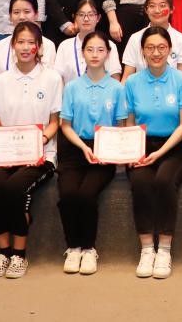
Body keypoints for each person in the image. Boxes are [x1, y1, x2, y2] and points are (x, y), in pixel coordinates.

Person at [0, 21, 62, 279]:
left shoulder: (52, 78)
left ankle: (19, 255)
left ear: (39, 47)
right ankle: (4, 253)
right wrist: (8, 146)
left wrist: (41, 139)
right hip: (6, 155)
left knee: (14, 190)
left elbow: (55, 121)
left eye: (30, 43)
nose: (25, 47)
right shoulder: (0, 81)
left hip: (41, 155)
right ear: (13, 45)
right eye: (20, 42)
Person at [124, 25, 182, 279]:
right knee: (141, 182)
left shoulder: (181, 80)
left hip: (175, 147)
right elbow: (129, 121)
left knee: (165, 181)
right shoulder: (132, 82)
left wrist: (161, 151)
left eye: (161, 47)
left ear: (170, 50)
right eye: (150, 48)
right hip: (142, 145)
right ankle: (147, 249)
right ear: (142, 51)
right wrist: (132, 151)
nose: (156, 53)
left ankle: (164, 249)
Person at [57, 29, 128, 275]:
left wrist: (111, 150)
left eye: (100, 50)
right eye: (90, 50)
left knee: (87, 194)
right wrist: (83, 147)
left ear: (108, 53)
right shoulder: (72, 87)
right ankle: (73, 247)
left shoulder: (117, 88)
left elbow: (120, 125)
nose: (95, 54)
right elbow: (65, 125)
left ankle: (88, 249)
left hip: (104, 151)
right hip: (74, 148)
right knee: (68, 194)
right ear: (83, 53)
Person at [120, 0, 182, 81]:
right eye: (152, 6)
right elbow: (127, 78)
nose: (157, 10)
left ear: (171, 9)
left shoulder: (181, 40)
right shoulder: (135, 38)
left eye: (162, 6)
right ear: (146, 10)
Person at [53, 0, 123, 87]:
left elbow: (115, 79)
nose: (86, 19)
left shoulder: (109, 44)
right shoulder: (65, 46)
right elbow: (58, 80)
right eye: (81, 14)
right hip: (71, 95)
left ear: (98, 18)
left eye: (91, 14)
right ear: (75, 17)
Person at [0, 0, 57, 74]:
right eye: (16, 12)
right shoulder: (0, 46)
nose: (21, 17)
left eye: (27, 12)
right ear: (10, 16)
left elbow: (50, 77)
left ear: (36, 14)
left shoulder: (48, 45)